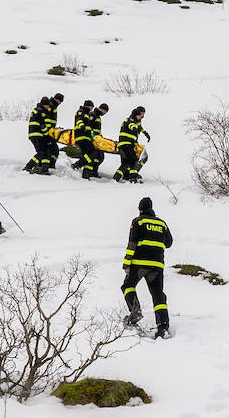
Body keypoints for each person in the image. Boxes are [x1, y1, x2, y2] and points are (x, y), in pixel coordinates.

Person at [121, 196, 173, 338]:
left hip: (139, 264)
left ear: (140, 209)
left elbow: (132, 244)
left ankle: (135, 311)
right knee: (157, 294)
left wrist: (127, 262)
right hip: (157, 265)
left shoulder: (138, 221)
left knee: (128, 286)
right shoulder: (162, 224)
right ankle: (163, 326)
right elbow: (169, 243)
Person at [24, 95, 60, 174]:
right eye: (47, 105)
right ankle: (29, 166)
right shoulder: (41, 111)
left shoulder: (37, 110)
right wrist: (47, 134)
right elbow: (43, 125)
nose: (48, 107)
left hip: (36, 134)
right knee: (41, 152)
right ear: (45, 105)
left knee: (45, 151)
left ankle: (44, 169)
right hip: (37, 135)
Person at [114, 106, 150, 183]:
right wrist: (135, 128)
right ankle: (133, 178)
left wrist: (145, 133)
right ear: (136, 115)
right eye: (141, 114)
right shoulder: (130, 121)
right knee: (134, 160)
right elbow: (132, 125)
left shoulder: (135, 121)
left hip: (126, 145)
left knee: (126, 163)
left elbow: (140, 128)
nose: (142, 116)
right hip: (126, 145)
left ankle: (116, 177)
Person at [78, 102, 110, 180]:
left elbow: (97, 130)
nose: (105, 113)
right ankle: (79, 165)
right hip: (92, 139)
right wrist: (93, 137)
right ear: (102, 109)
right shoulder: (93, 115)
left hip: (97, 139)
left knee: (99, 156)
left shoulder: (97, 116)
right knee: (95, 155)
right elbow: (90, 127)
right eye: (105, 112)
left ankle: (93, 171)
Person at [70, 99, 96, 177]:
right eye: (91, 107)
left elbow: (89, 127)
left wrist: (92, 135)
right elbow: (79, 120)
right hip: (81, 137)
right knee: (90, 154)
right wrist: (82, 126)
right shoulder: (81, 112)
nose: (92, 109)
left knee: (90, 154)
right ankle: (77, 165)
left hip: (86, 138)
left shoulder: (87, 114)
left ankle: (79, 167)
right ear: (89, 106)